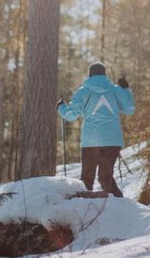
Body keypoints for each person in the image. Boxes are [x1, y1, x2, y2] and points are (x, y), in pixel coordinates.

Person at [57, 62, 135, 197]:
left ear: (90, 75)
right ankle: (120, 207)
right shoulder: (116, 90)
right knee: (105, 177)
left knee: (87, 179)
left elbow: (70, 115)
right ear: (105, 75)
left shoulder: (83, 92)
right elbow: (129, 109)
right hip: (112, 142)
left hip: (90, 143)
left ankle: (83, 211)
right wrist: (126, 90)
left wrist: (60, 107)